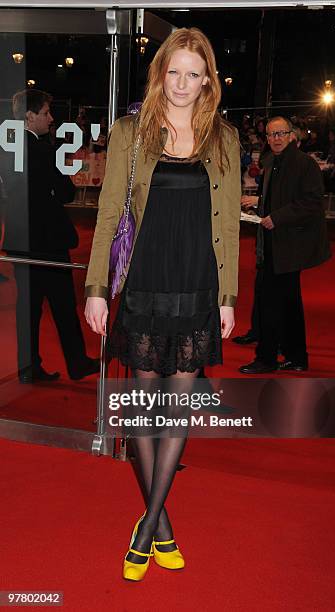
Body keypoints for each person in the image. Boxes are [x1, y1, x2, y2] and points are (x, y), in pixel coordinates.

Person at [84, 27, 241, 581]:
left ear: (207, 81)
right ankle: (161, 527)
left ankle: (146, 527)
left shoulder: (224, 137)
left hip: (197, 281)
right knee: (143, 406)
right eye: (172, 71)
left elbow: (226, 224)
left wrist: (227, 298)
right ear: (160, 74)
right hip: (147, 278)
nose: (180, 83)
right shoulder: (131, 131)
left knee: (177, 408)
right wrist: (98, 288)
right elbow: (108, 214)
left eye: (192, 74)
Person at [3, 89, 99, 383]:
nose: (51, 118)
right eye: (46, 112)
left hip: (21, 240)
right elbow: (67, 191)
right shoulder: (42, 150)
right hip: (47, 242)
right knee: (63, 306)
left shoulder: (8, 149)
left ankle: (28, 367)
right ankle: (77, 362)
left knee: (28, 309)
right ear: (30, 117)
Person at [239, 116, 330, 374]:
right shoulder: (275, 162)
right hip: (278, 244)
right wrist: (258, 203)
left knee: (272, 303)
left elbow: (312, 203)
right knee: (289, 303)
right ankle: (296, 357)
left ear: (292, 135)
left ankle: (266, 359)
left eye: (281, 133)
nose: (276, 138)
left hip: (288, 246)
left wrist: (275, 217)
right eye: (271, 134)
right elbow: (280, 198)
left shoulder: (302, 164)